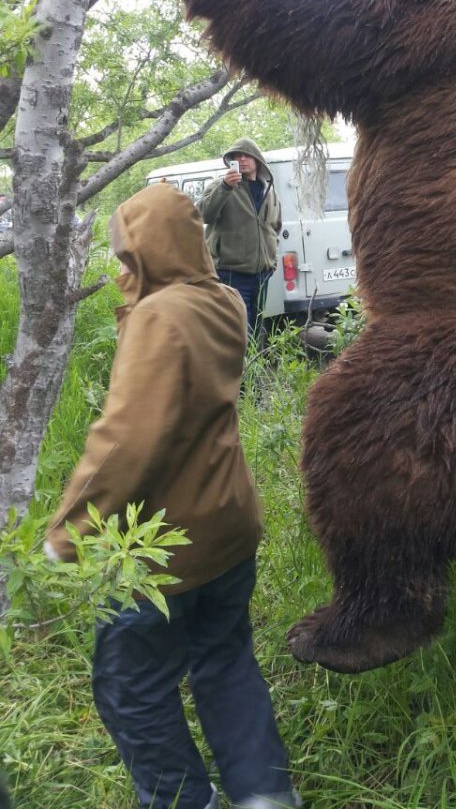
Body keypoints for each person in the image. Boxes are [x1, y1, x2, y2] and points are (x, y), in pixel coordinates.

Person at [44, 183, 299, 809]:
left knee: (131, 688)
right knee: (225, 661)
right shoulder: (222, 301)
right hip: (228, 525)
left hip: (158, 549)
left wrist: (66, 533)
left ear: (148, 247)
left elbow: (127, 440)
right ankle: (266, 796)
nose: (122, 266)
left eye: (127, 252)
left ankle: (185, 801)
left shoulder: (160, 316)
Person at [199, 138, 282, 342]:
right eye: (236, 156)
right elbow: (203, 214)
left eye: (246, 155)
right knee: (236, 331)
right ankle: (235, 373)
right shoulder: (220, 186)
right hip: (231, 273)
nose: (242, 159)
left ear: (257, 159)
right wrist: (226, 188)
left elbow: (275, 227)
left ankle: (253, 371)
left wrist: (272, 261)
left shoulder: (268, 190)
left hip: (262, 275)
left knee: (256, 328)